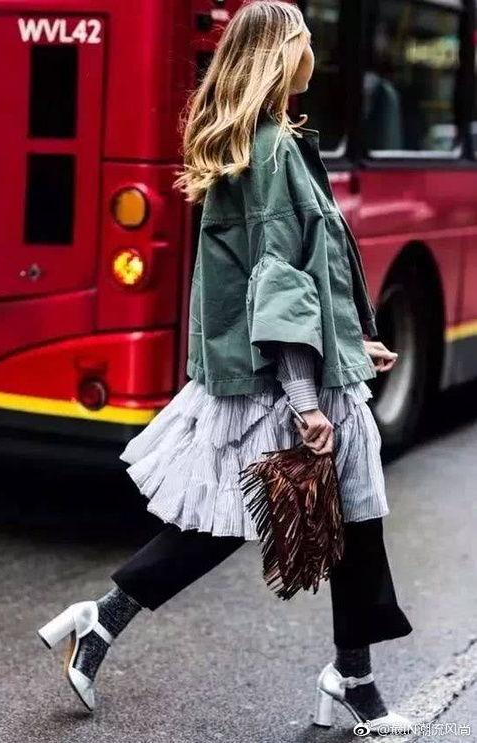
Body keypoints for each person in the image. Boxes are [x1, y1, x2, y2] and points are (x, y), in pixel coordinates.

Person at [37, 2, 414, 734]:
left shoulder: (272, 143)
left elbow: (303, 272)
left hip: (298, 367)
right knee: (233, 522)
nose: (313, 51)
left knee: (350, 519)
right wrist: (307, 400)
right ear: (280, 52)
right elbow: (279, 283)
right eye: (305, 39)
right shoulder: (271, 152)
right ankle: (105, 618)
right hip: (284, 380)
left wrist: (350, 342)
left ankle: (352, 676)